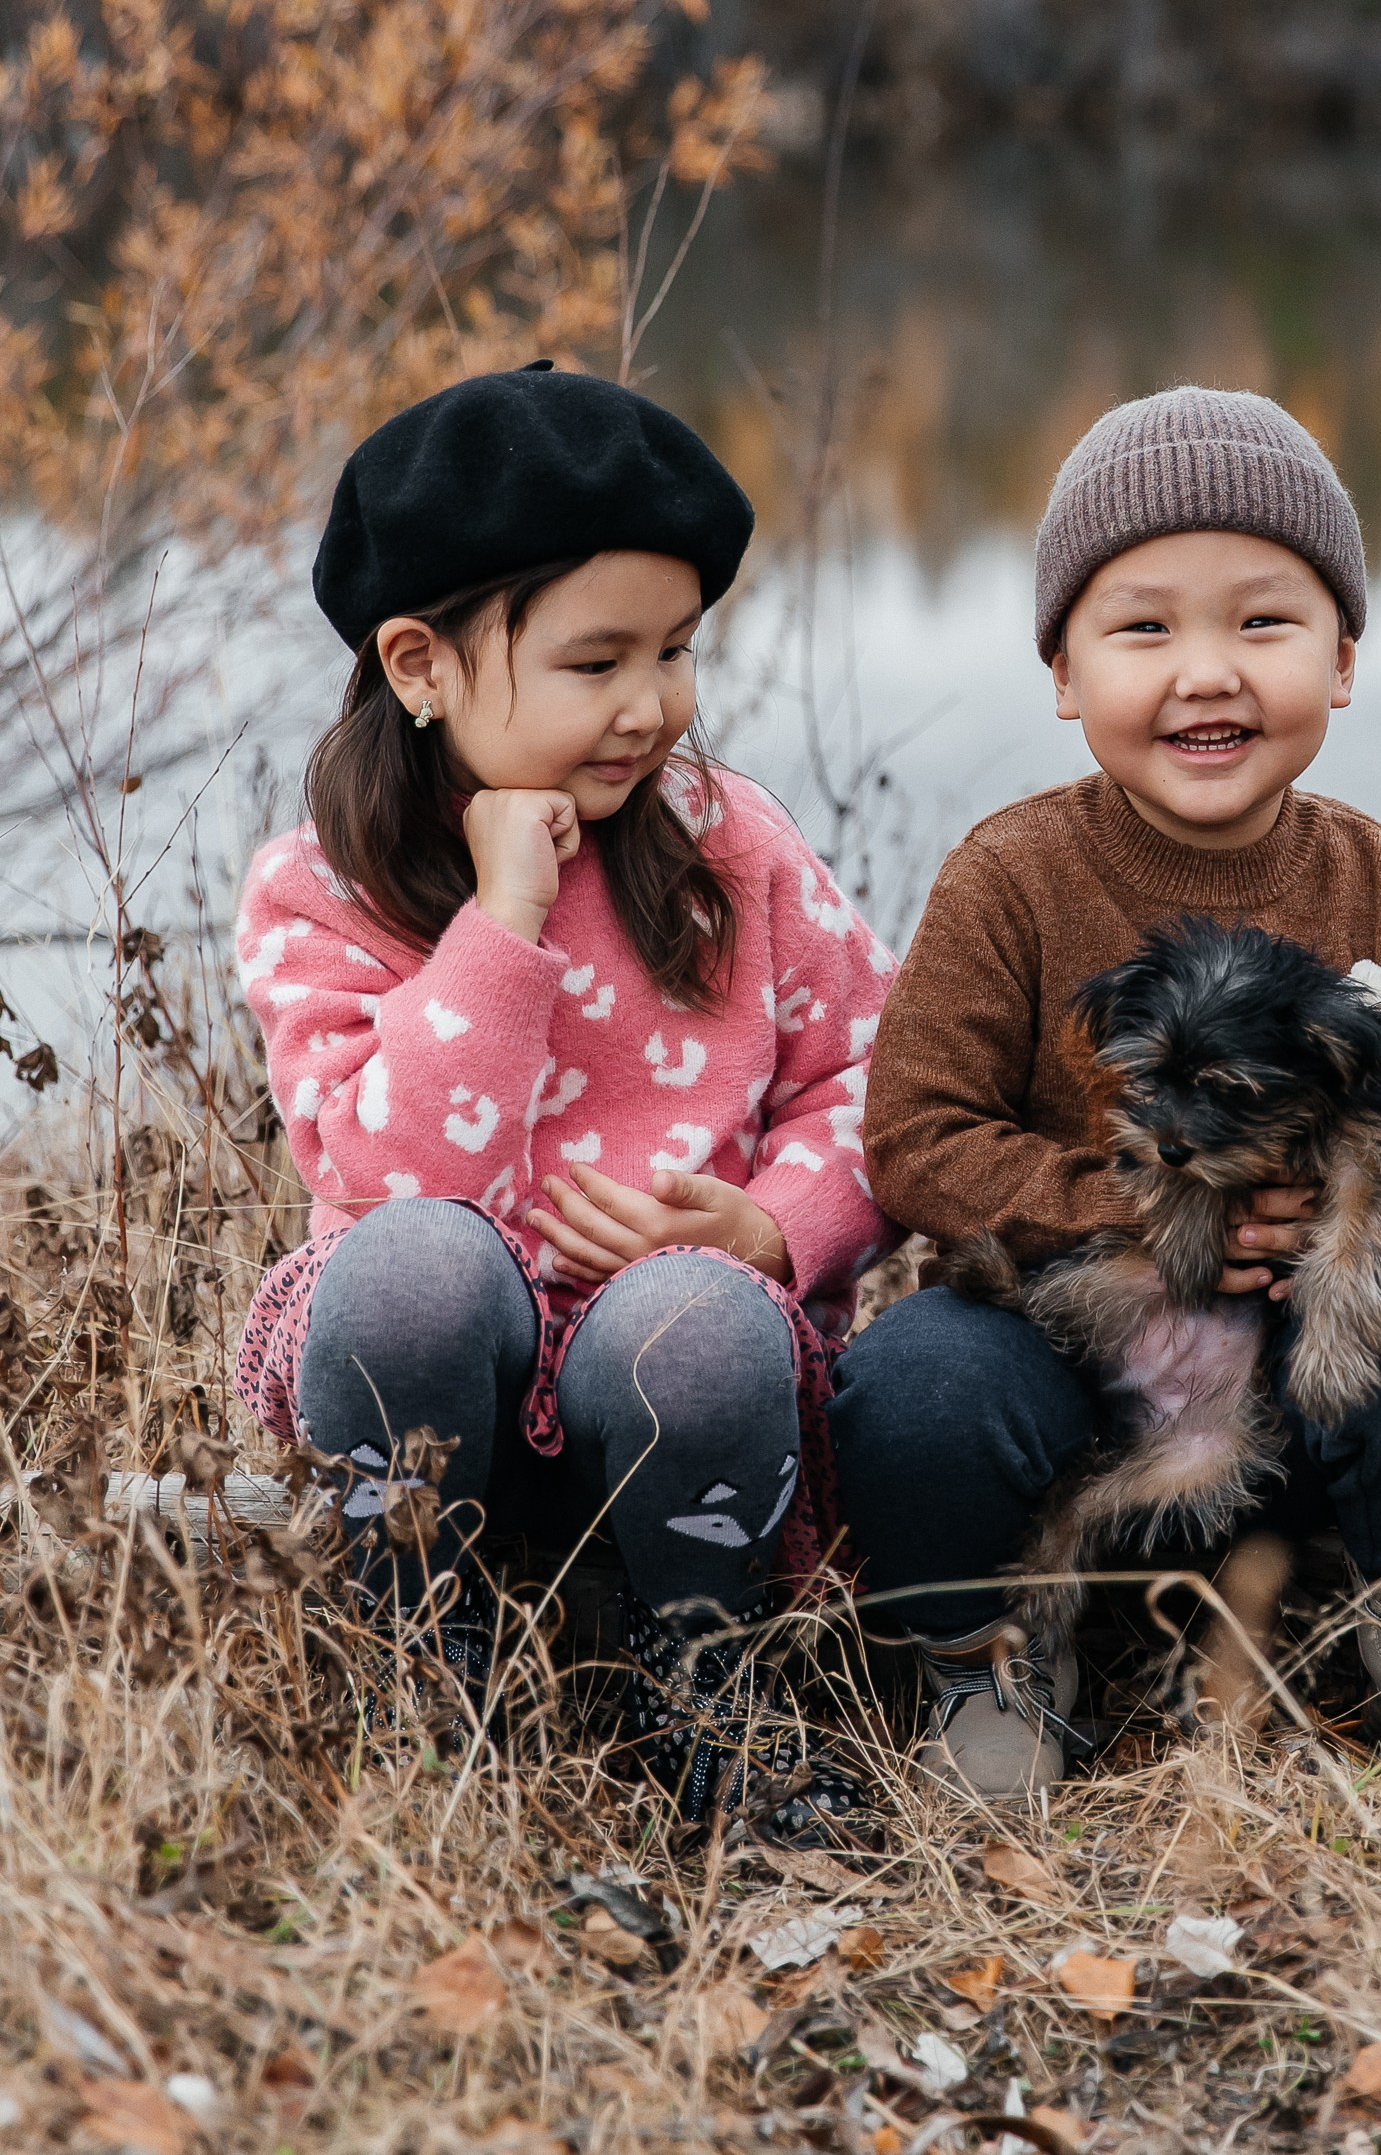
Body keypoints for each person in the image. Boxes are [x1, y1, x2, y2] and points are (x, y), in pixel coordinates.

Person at [834, 384, 1381, 1800]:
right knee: (913, 1374)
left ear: (1342, 661)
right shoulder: (1007, 876)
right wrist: (1128, 1215)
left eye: (1262, 623)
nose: (1206, 674)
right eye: (1143, 627)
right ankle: (986, 1655)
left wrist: (1341, 1209)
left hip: (1309, 1392)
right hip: (1069, 1365)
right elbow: (913, 1141)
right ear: (1064, 673)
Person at [234, 360, 893, 1835]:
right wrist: (504, 924)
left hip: (674, 1408)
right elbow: (384, 1169)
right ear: (422, 666)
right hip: (428, 1390)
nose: (653, 705)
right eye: (598, 663)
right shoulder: (317, 892)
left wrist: (776, 1229)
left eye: (676, 652)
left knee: (702, 1314)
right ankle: (422, 1657)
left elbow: (866, 1071)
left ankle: (706, 1679)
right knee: (406, 1267)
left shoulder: (732, 848)